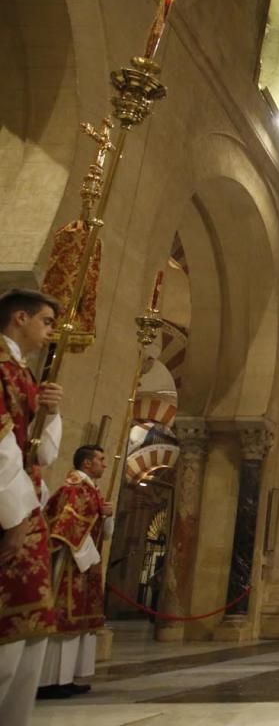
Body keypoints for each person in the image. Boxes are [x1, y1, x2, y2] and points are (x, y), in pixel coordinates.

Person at [0, 289, 64, 726]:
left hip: (26, 509)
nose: (51, 332)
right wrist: (15, 517)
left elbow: (40, 453)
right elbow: (3, 446)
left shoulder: (22, 371)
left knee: (29, 635)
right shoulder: (2, 370)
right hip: (13, 513)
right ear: (19, 317)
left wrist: (51, 412)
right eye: (46, 321)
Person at [37, 445, 113, 699]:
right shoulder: (73, 489)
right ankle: (49, 680)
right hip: (73, 562)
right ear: (87, 463)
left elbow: (101, 528)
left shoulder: (91, 491)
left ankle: (66, 677)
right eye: (101, 459)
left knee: (80, 618)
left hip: (86, 563)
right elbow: (64, 526)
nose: (105, 464)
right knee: (64, 617)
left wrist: (106, 514)